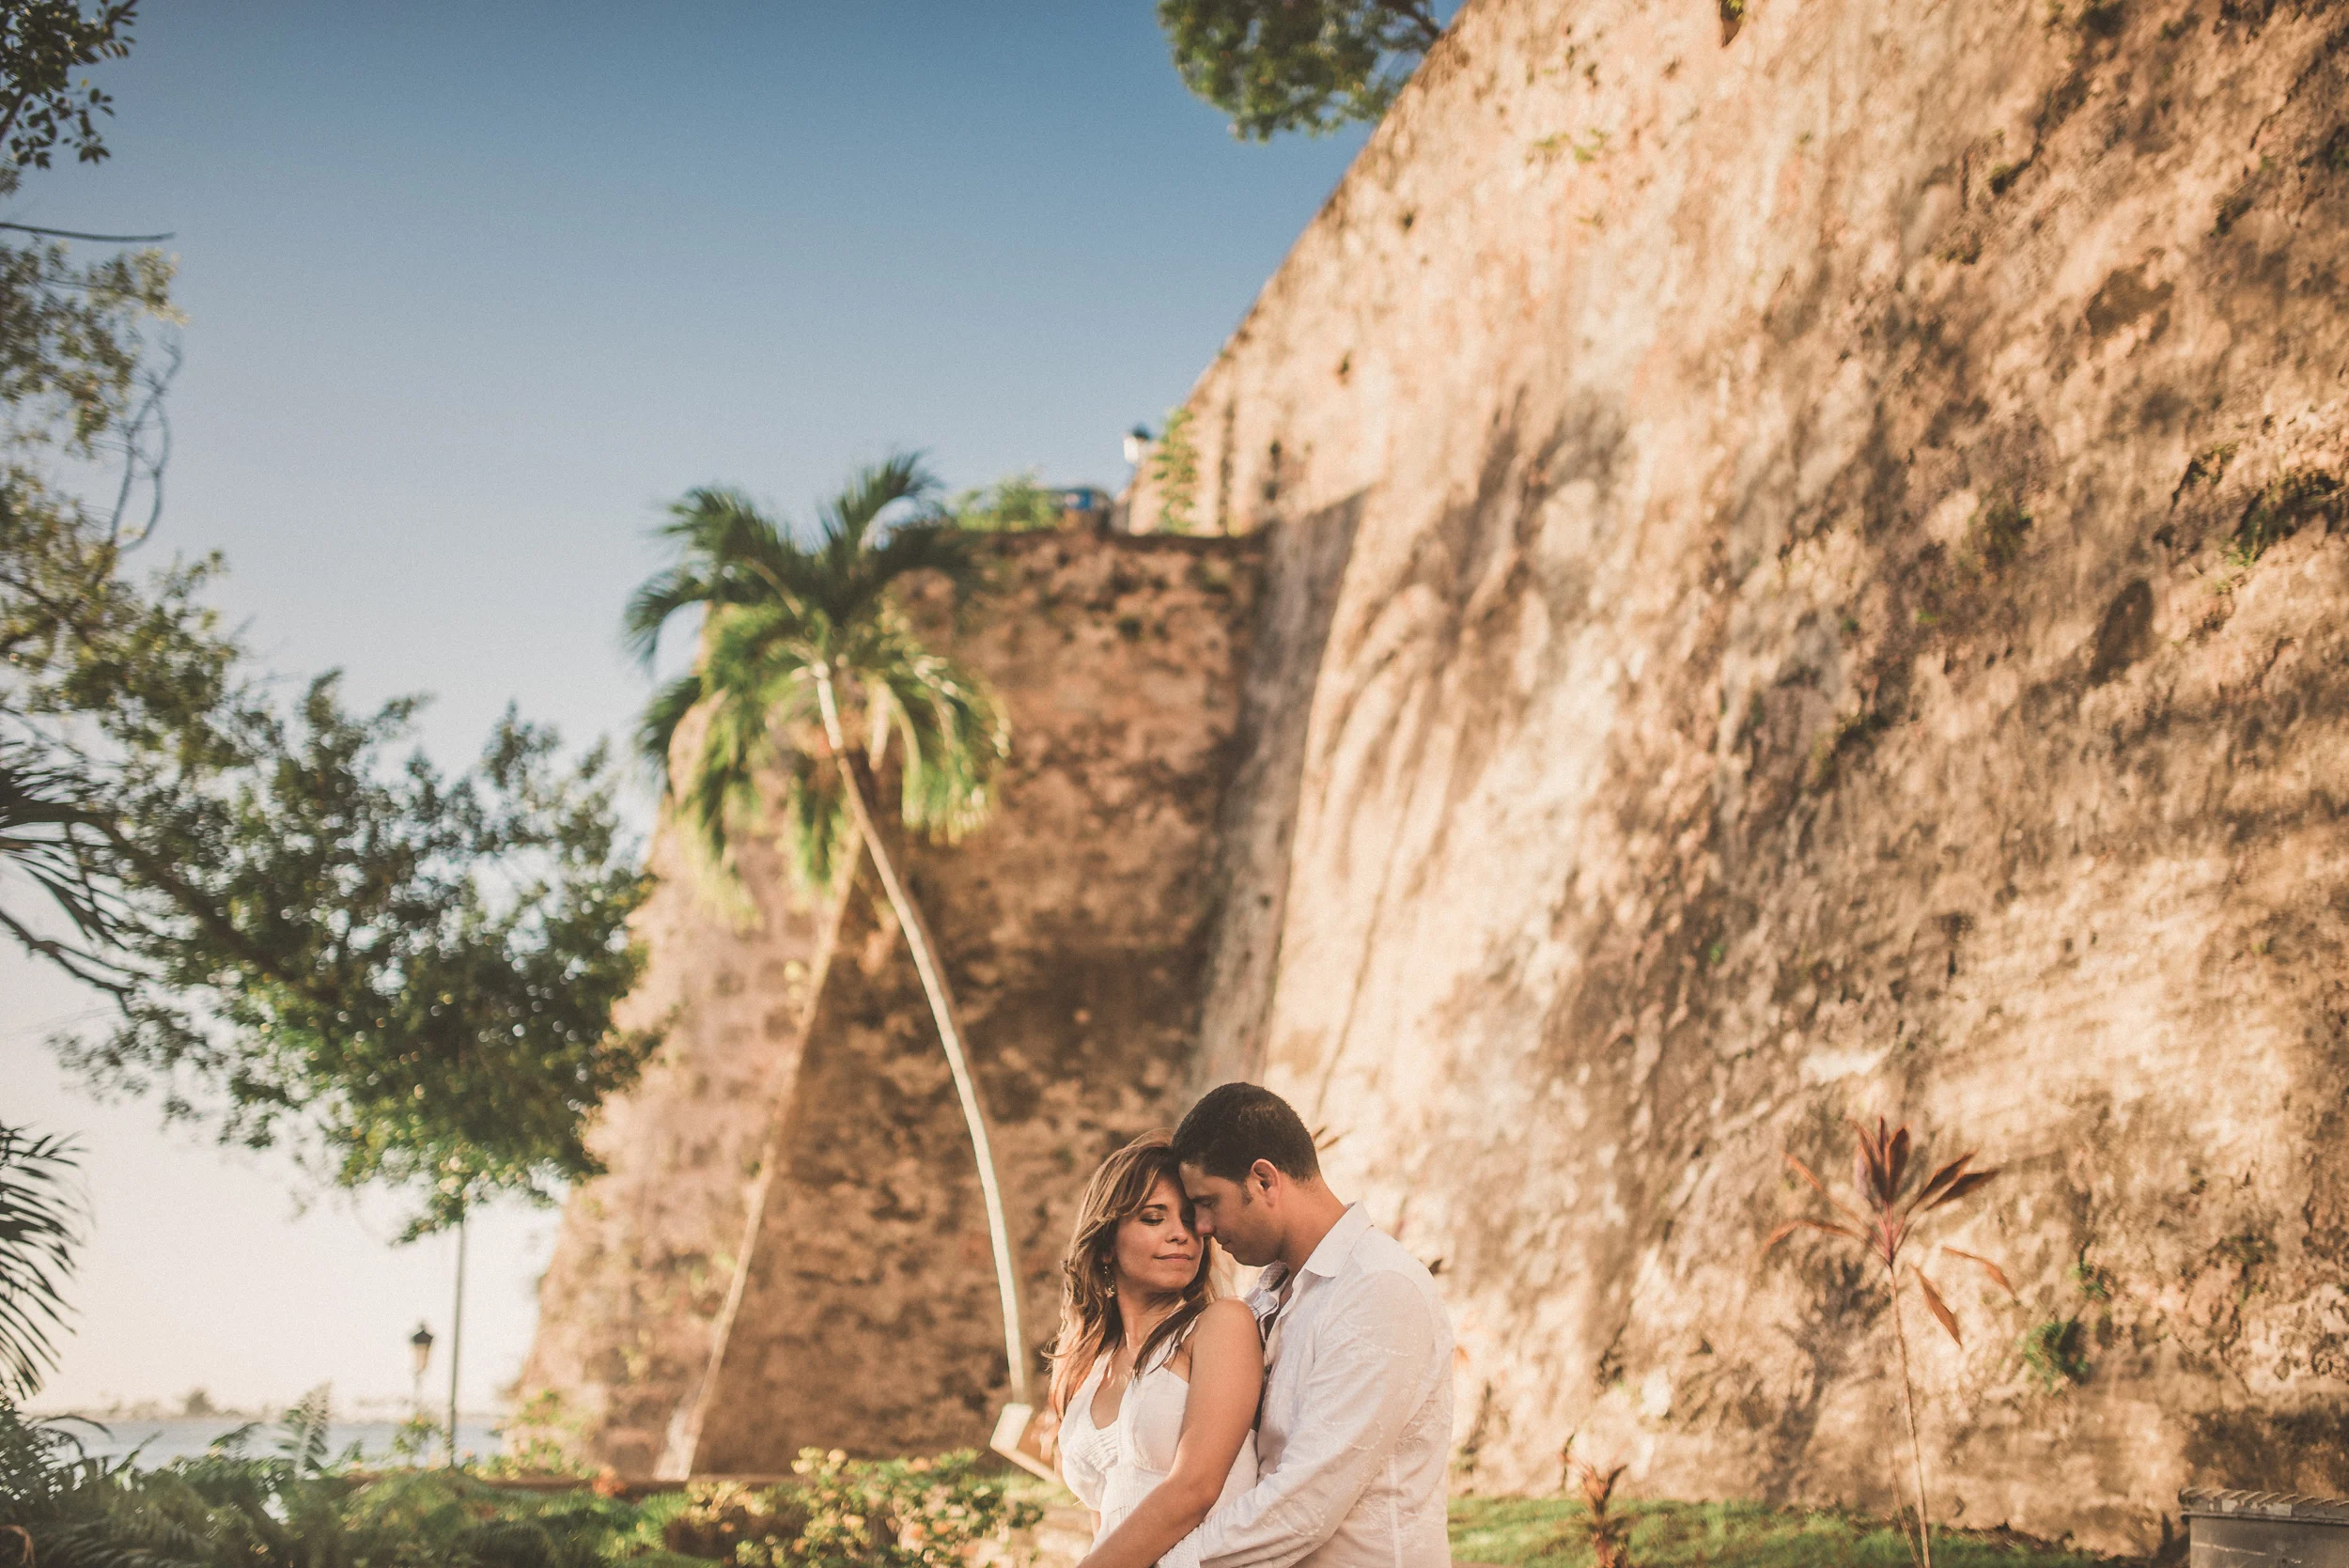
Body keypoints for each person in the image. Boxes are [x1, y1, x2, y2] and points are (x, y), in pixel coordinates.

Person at [1078, 1083, 1455, 1568]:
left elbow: (1304, 1504)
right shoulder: (1267, 1299)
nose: (1203, 1229)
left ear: (1264, 1180)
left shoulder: (1378, 1288)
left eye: (1207, 1203)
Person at [1053, 1131, 1267, 1553]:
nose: (1181, 1235)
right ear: (1106, 1245)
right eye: (1154, 1218)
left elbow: (1196, 1489)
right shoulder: (1087, 1366)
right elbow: (1107, 1526)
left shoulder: (1219, 1325)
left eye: (1191, 1220)